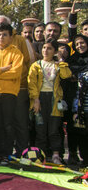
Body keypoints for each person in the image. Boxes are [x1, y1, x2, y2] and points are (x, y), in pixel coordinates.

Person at [0, 15, 31, 158]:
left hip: (12, 92)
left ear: (11, 36)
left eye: (5, 34)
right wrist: (2, 70)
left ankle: (8, 155)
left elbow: (16, 72)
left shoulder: (17, 49)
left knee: (10, 124)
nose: (1, 37)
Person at [27, 39, 71, 165]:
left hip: (54, 101)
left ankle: (56, 155)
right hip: (40, 99)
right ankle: (40, 155)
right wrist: (35, 99)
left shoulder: (57, 65)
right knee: (40, 128)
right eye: (44, 48)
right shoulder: (36, 65)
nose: (46, 50)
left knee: (54, 129)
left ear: (55, 51)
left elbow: (66, 75)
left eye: (50, 48)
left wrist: (61, 61)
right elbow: (32, 84)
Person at [67, 35, 88, 165]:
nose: (80, 46)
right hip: (75, 103)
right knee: (77, 131)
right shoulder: (71, 61)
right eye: (77, 44)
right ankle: (81, 158)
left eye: (83, 43)